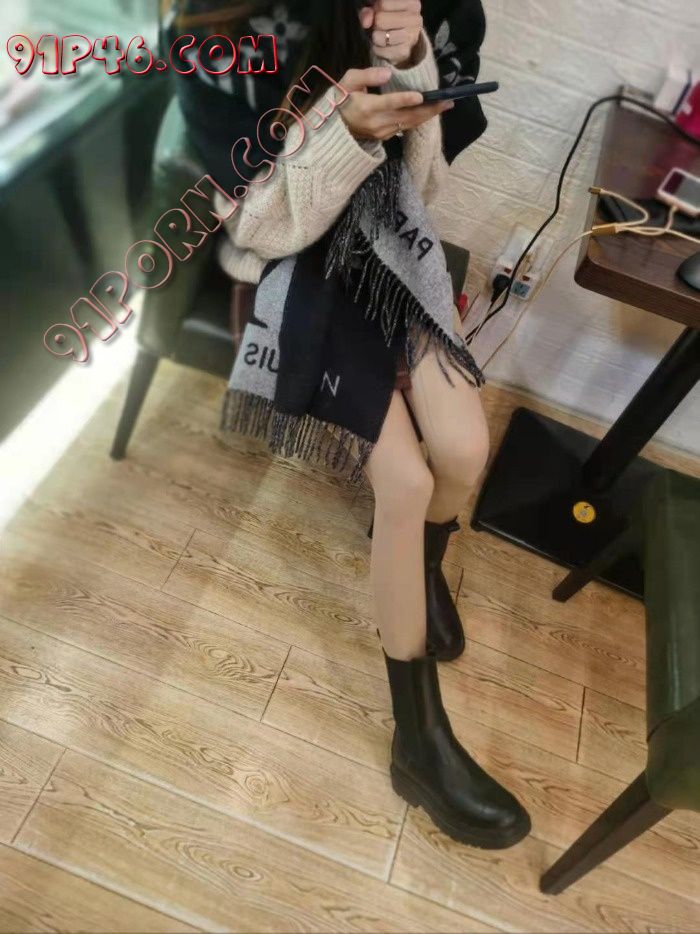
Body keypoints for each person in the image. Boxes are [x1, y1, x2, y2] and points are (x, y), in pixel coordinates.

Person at [169, 0, 531, 849]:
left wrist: (413, 67)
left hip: (389, 248)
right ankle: (419, 742)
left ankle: (423, 572)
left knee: (465, 447)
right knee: (403, 481)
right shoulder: (215, 33)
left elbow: (424, 190)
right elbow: (256, 228)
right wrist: (343, 135)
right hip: (289, 270)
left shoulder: (429, 11)